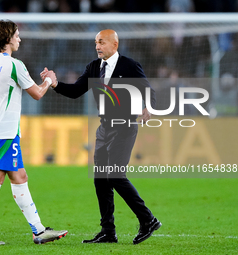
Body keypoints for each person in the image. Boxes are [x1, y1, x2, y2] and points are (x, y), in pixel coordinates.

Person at [41, 29, 161, 245]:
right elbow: (76, 90)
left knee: (114, 176)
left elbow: (147, 90)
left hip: (124, 126)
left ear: (115, 44)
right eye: (96, 42)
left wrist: (148, 107)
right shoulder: (94, 67)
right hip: (104, 128)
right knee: (101, 179)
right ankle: (108, 231)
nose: (97, 46)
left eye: (102, 42)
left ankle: (148, 219)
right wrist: (55, 84)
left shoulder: (129, 65)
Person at [0, 19, 68, 245]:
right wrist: (49, 81)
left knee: (19, 176)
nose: (19, 38)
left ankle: (39, 231)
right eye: (16, 35)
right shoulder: (15, 65)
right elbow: (37, 94)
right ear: (8, 38)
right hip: (6, 130)